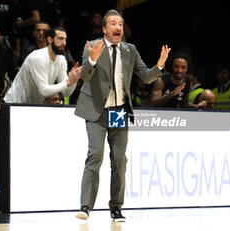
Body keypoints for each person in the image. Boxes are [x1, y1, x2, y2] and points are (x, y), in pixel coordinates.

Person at [74, 9, 170, 222]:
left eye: (120, 23)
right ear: (105, 28)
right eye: (114, 24)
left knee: (119, 160)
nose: (118, 27)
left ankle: (116, 208)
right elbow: (85, 77)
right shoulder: (92, 46)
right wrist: (91, 60)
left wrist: (160, 65)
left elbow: (145, 77)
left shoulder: (129, 50)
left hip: (118, 111)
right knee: (95, 155)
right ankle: (85, 206)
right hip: (97, 111)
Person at [4, 27, 82, 104]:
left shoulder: (61, 60)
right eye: (60, 38)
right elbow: (44, 90)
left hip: (33, 105)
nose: (64, 43)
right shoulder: (38, 57)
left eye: (65, 39)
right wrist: (68, 82)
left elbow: (66, 93)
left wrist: (73, 80)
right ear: (50, 40)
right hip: (14, 104)